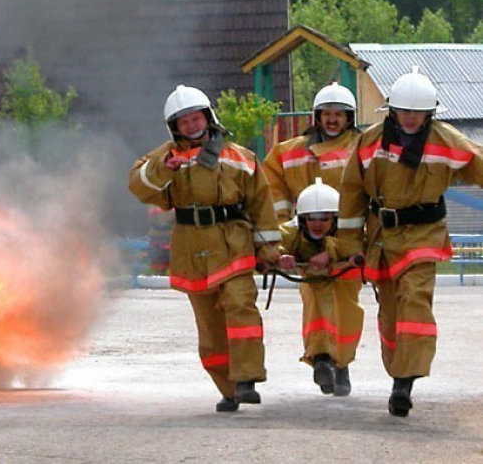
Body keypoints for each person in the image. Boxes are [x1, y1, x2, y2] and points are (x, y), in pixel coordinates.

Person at [338, 66, 483, 417]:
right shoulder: (370, 142)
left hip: (424, 236)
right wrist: (349, 246)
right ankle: (398, 372)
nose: (411, 118)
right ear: (392, 110)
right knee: (391, 315)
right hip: (381, 238)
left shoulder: (447, 141)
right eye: (405, 111)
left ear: (430, 113)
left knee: (415, 301)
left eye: (418, 113)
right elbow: (352, 192)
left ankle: (406, 380)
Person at [128, 84, 281, 413]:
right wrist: (162, 169)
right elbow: (138, 186)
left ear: (207, 117)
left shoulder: (240, 157)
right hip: (191, 248)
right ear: (174, 128)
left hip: (233, 242)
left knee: (241, 305)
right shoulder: (165, 158)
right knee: (210, 326)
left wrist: (269, 250)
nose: (191, 126)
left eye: (195, 118)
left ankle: (247, 380)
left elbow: (261, 205)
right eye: (183, 122)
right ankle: (228, 389)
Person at [277, 178, 364, 397]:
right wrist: (279, 256)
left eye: (323, 218)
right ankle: (321, 360)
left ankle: (341, 366)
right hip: (313, 282)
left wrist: (331, 252)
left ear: (334, 218)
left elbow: (361, 244)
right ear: (302, 219)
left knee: (345, 319)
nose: (317, 224)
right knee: (316, 312)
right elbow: (275, 242)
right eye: (311, 218)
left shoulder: (348, 232)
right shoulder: (292, 232)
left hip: (345, 281)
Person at [264, 83, 360, 224]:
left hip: (350, 229)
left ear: (349, 118)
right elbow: (274, 191)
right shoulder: (288, 151)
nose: (332, 120)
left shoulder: (362, 148)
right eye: (327, 113)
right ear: (318, 117)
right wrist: (283, 225)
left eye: (338, 114)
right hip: (305, 230)